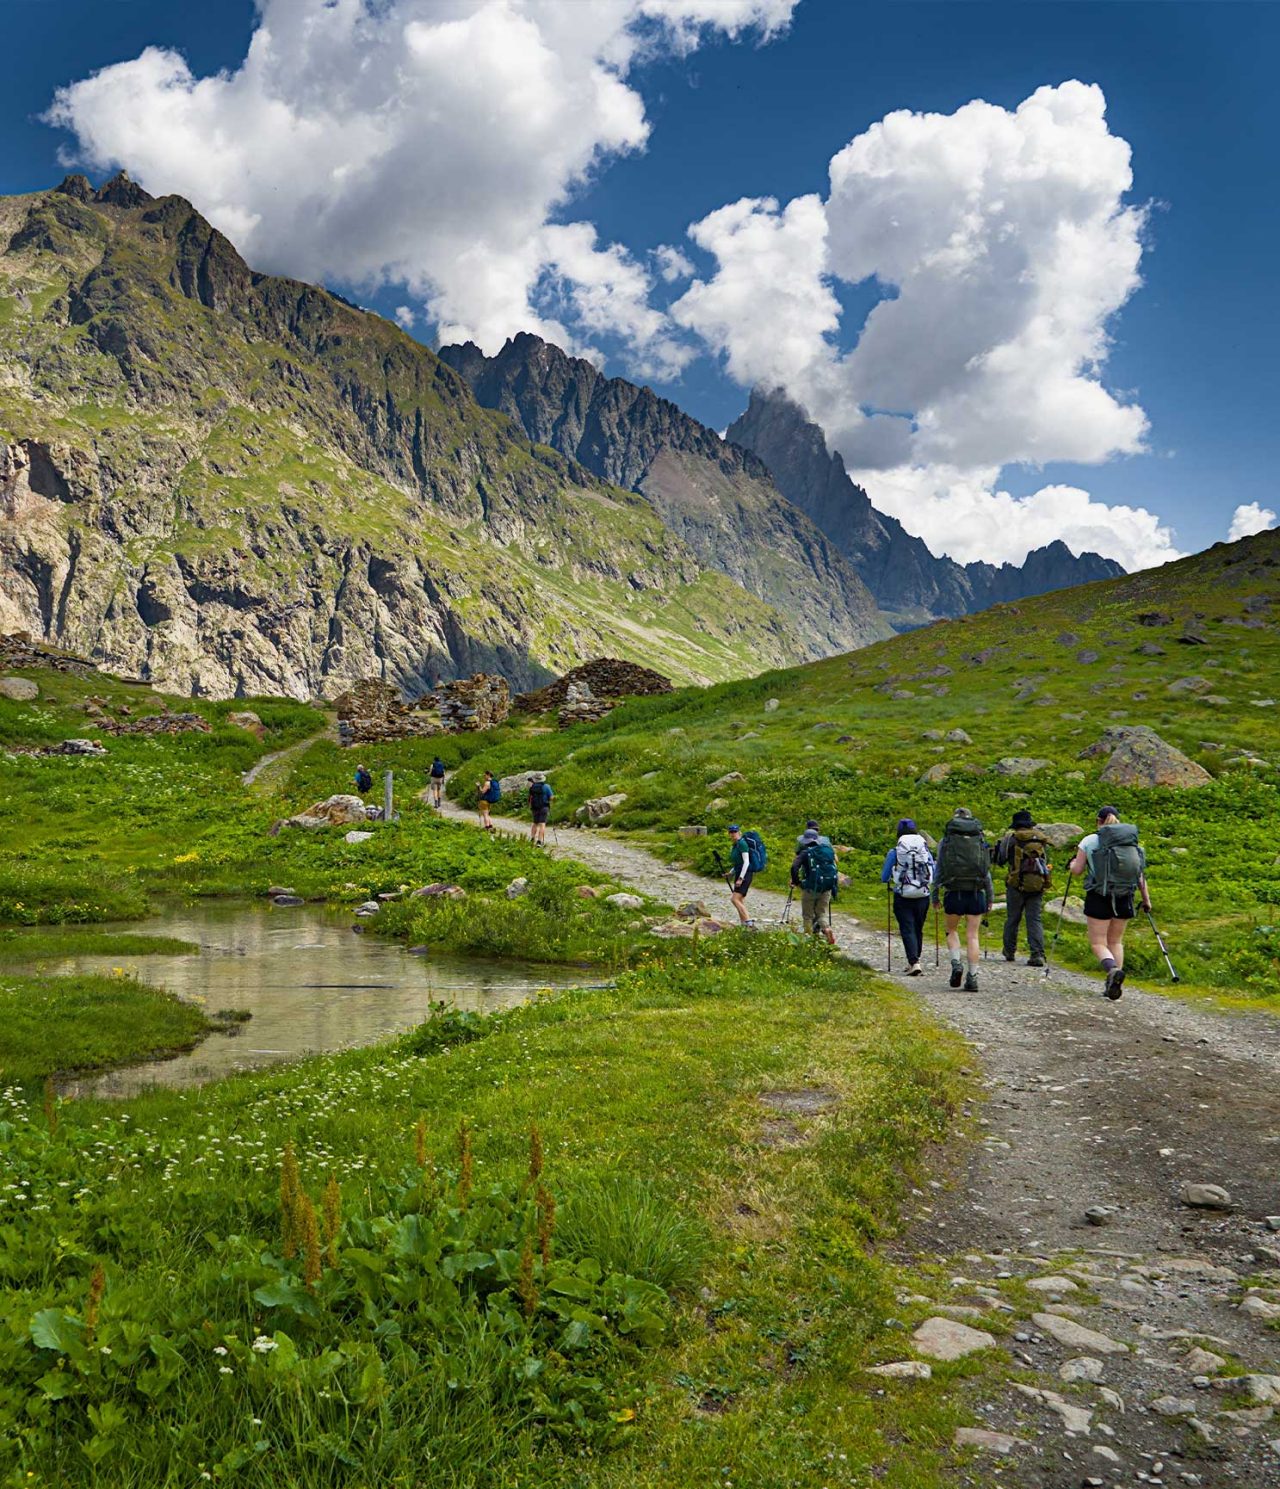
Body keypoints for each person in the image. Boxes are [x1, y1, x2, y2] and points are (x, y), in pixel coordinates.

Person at [1067, 806, 1150, 1000]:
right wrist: (1146, 900)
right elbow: (1140, 877)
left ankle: (1112, 970)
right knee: (1116, 941)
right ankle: (1114, 982)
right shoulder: (1132, 844)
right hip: (1125, 896)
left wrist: (1071, 865)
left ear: (1099, 821)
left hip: (1099, 895)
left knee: (1098, 942)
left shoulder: (1089, 840)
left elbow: (1078, 870)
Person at [934, 807, 994, 991]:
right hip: (977, 892)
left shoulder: (947, 841)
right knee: (972, 936)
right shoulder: (979, 839)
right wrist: (990, 898)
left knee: (951, 930)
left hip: (954, 891)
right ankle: (973, 977)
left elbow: (939, 869)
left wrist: (935, 895)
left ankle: (956, 963)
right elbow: (986, 872)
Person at [992, 809, 1051, 967]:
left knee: (1013, 918)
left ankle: (1009, 951)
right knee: (1034, 919)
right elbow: (1047, 861)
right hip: (1037, 884)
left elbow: (1000, 860)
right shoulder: (1040, 839)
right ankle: (1037, 953)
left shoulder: (1011, 839)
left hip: (1015, 884)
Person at [880, 818, 934, 976]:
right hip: (923, 894)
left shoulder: (895, 852)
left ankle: (914, 962)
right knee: (918, 928)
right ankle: (916, 959)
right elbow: (934, 871)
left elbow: (884, 877)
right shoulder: (924, 851)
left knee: (907, 928)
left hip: (902, 895)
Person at [791, 827, 839, 946]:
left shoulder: (805, 853)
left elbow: (794, 867)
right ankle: (827, 929)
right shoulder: (827, 850)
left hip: (810, 888)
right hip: (826, 887)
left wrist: (797, 882)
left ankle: (809, 940)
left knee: (808, 915)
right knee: (821, 913)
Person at [528, 773, 554, 847]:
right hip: (544, 807)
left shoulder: (532, 787)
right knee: (542, 824)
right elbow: (551, 797)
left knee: (535, 823)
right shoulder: (546, 786)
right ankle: (539, 841)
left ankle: (532, 838)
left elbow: (530, 797)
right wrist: (549, 801)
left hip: (534, 807)